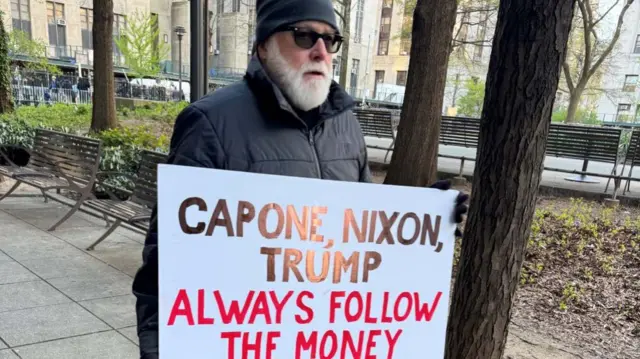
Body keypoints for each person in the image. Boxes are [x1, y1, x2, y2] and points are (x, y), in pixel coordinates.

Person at [132, 0, 468, 357]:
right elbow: (166, 269)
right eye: (304, 37)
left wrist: (421, 219)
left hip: (324, 340)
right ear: (264, 44)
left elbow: (360, 230)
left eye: (331, 40)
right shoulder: (210, 122)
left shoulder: (345, 125)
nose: (321, 52)